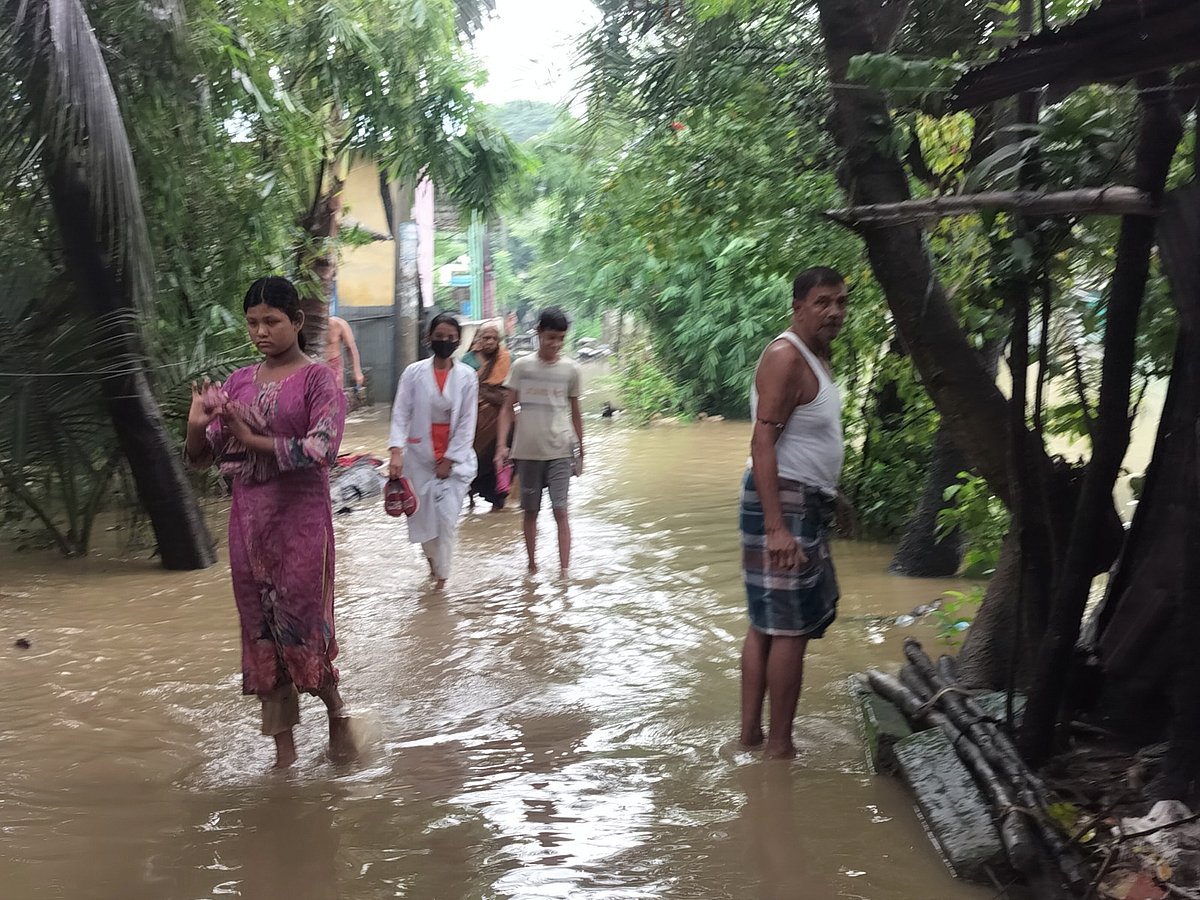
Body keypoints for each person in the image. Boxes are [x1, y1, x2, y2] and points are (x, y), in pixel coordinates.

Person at [184, 276, 352, 770]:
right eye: (253, 322)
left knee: (303, 632)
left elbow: (322, 449)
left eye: (272, 321)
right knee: (260, 636)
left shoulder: (319, 379)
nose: (261, 331)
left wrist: (250, 438)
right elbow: (202, 458)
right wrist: (196, 426)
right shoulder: (238, 381)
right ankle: (284, 757)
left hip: (301, 527)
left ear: (297, 322)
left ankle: (338, 712)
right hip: (248, 527)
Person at [739, 266, 849, 760]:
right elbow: (763, 440)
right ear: (798, 306)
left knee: (768, 624)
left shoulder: (817, 356)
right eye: (823, 302)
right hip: (781, 501)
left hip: (802, 498)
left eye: (841, 302)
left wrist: (833, 495)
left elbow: (807, 438)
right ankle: (779, 747)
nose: (834, 312)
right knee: (789, 629)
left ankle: (751, 739)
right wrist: (778, 527)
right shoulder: (786, 356)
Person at [388, 313, 478, 589]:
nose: (444, 341)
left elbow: (466, 421)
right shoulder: (413, 374)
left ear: (458, 341)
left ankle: (442, 581)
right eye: (439, 336)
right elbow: (401, 412)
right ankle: (433, 565)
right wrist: (396, 450)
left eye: (451, 338)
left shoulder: (467, 377)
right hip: (419, 458)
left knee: (447, 521)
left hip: (454, 463)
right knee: (423, 521)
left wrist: (450, 459)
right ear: (429, 338)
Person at [495, 308, 583, 575]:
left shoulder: (571, 370)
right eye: (550, 337)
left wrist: (581, 451)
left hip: (560, 449)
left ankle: (564, 572)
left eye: (560, 338)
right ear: (539, 334)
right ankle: (532, 567)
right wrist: (502, 446)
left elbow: (576, 413)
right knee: (530, 512)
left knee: (561, 511)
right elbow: (507, 408)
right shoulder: (522, 367)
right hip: (527, 451)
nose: (554, 344)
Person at [464, 322, 513, 510]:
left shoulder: (507, 359)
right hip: (474, 425)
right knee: (472, 463)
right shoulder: (467, 361)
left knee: (499, 467)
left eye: (494, 338)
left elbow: (512, 392)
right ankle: (470, 502)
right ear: (478, 339)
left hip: (500, 425)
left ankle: (498, 505)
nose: (490, 341)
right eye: (486, 337)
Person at [325, 315, 364, 390]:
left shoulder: (339, 324)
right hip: (314, 365)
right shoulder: (309, 326)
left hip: (333, 366)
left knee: (334, 394)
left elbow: (351, 347)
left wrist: (357, 371)